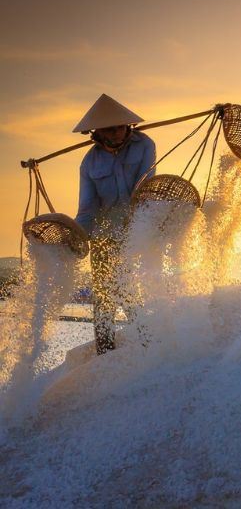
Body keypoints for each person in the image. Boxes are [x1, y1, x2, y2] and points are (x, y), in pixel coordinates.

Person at [73, 94, 156, 354]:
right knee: (104, 295)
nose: (118, 132)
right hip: (103, 232)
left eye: (121, 126)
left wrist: (134, 228)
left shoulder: (144, 145)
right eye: (111, 128)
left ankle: (149, 346)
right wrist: (75, 237)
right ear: (97, 132)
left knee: (129, 288)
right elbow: (87, 209)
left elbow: (145, 188)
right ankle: (105, 352)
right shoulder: (89, 163)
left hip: (137, 227)